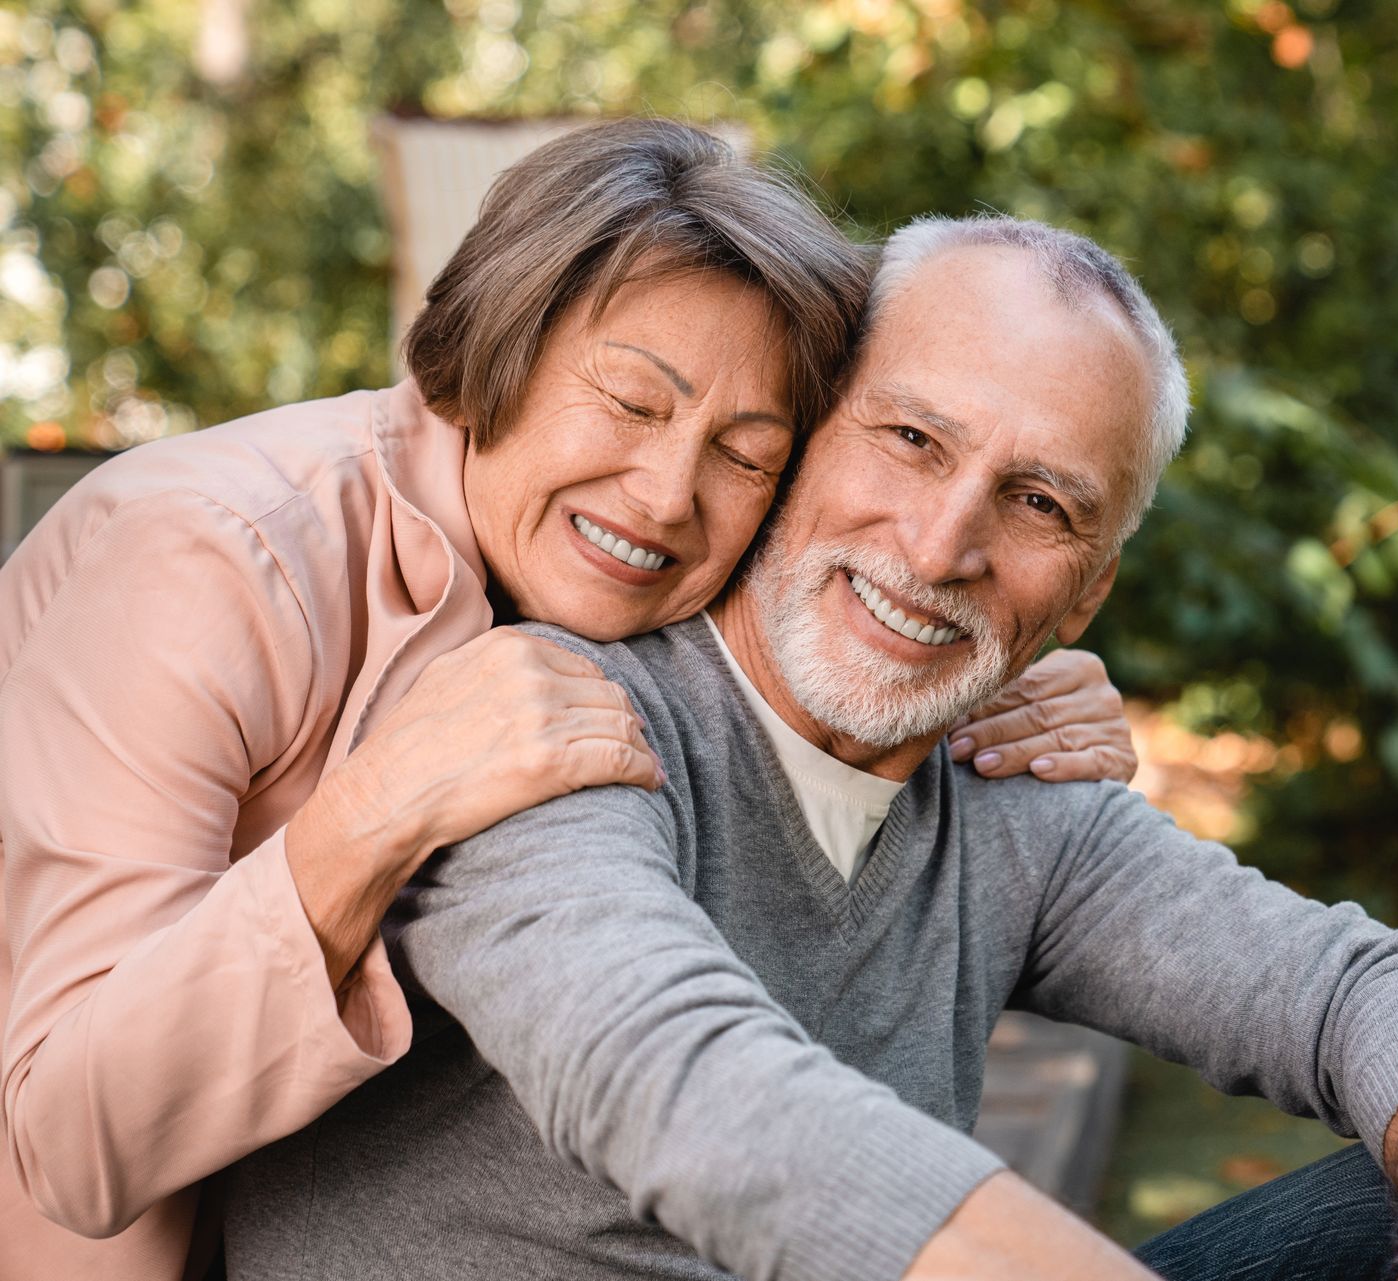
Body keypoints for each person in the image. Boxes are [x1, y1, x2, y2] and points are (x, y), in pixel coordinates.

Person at [223, 216, 1398, 1281]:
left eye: (1040, 501)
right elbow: (690, 1088)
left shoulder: (1012, 800)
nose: (941, 547)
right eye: (912, 438)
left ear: (1087, 591)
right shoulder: (546, 719)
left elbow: (1376, 987)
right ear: (802, 434)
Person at [0, 123, 1137, 1281]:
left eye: (746, 453)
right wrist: (374, 812)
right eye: (634, 403)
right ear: (504, 349)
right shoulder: (211, 560)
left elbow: (861, 596)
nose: (663, 496)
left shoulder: (612, 573)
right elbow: (70, 1144)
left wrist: (983, 669)